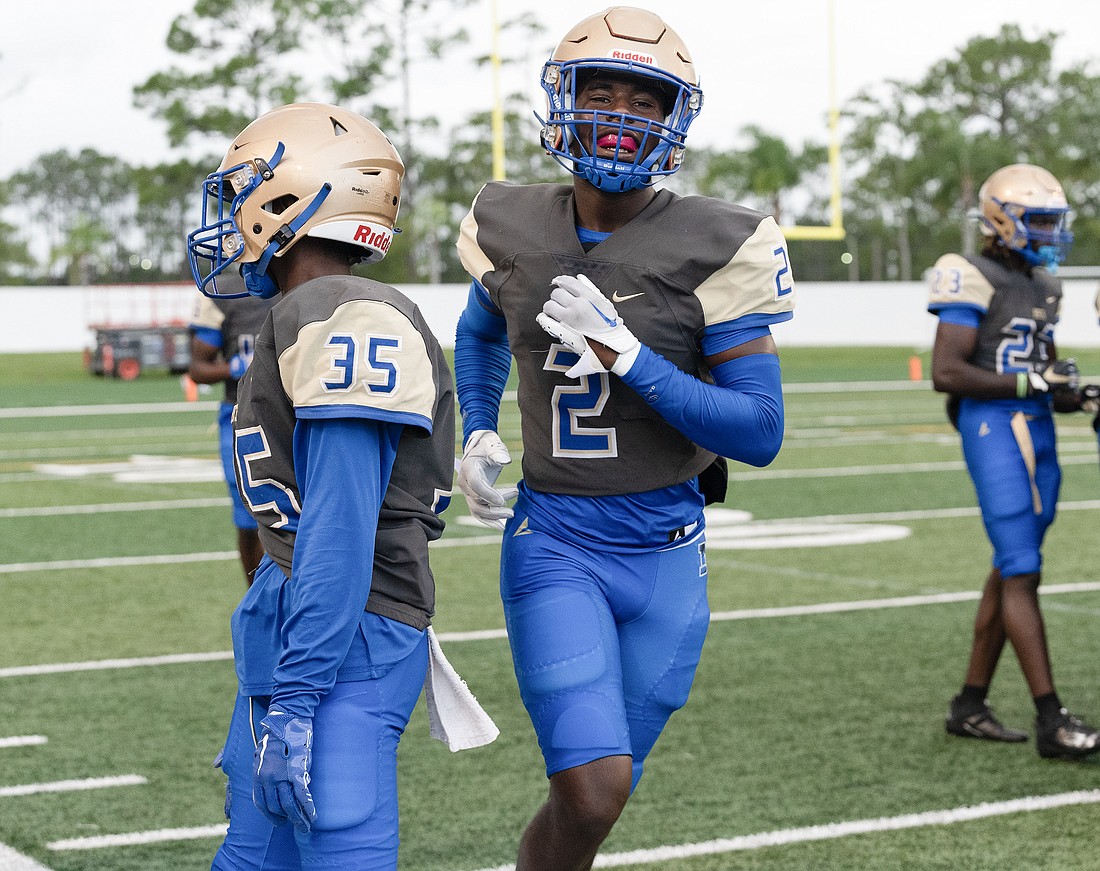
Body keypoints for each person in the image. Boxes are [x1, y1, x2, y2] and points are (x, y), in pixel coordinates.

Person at [453, 7, 793, 868]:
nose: (617, 115)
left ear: (674, 119)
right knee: (593, 788)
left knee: (594, 806)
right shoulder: (510, 222)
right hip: (556, 539)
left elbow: (760, 431)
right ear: (561, 101)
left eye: (643, 100)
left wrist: (631, 356)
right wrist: (479, 425)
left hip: (669, 548)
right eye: (598, 92)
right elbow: (481, 328)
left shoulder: (718, 242)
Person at [187, 102, 493, 871]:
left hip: (346, 637)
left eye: (245, 190)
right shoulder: (305, 310)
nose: (232, 212)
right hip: (303, 623)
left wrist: (296, 695)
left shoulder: (349, 314)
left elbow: (340, 526)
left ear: (295, 194)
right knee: (250, 859)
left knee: (337, 853)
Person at [928, 162, 1100, 761]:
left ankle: (969, 705)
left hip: (1037, 429)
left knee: (1011, 569)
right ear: (1001, 220)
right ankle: (1052, 719)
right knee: (1022, 568)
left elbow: (1044, 372)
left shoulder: (1046, 285)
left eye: (1054, 220)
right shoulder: (968, 272)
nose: (1051, 232)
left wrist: (1075, 392)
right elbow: (947, 372)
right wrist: (1033, 384)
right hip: (993, 427)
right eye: (1040, 220)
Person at [187, 274, 274, 585]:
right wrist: (235, 367)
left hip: (300, 413)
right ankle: (258, 600)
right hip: (242, 415)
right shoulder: (223, 292)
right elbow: (198, 369)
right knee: (249, 517)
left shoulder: (312, 285)